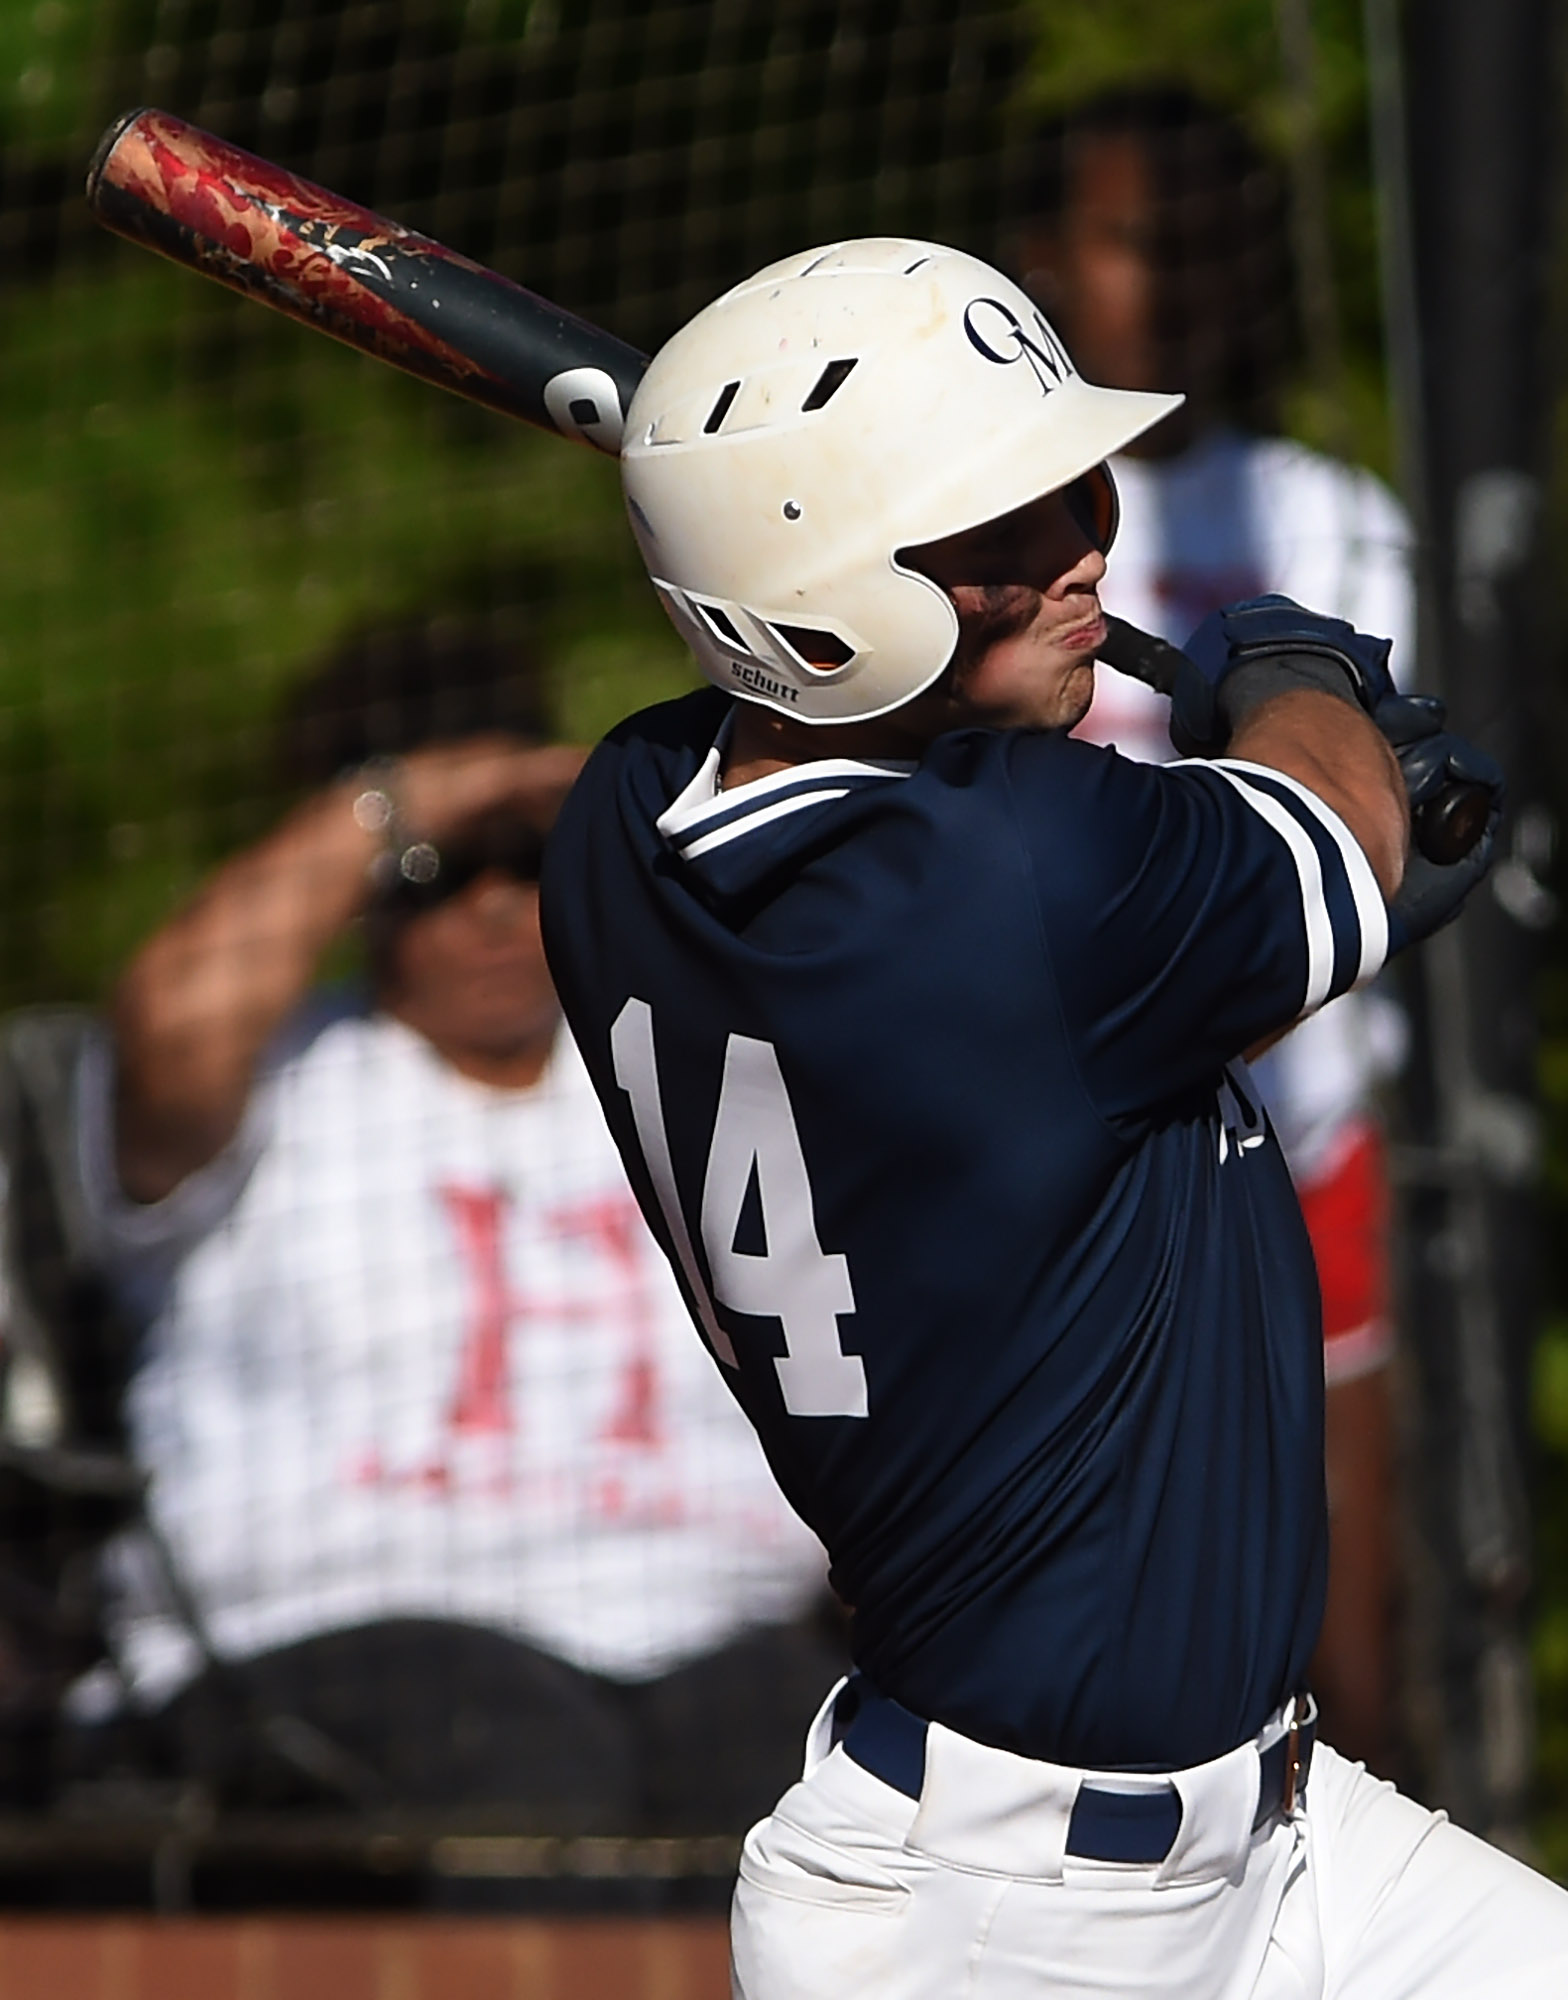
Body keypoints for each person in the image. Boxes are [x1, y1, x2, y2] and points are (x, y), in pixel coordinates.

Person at [540, 239, 1567, 1995]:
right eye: (995, 533)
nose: (1087, 541)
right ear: (821, 592)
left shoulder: (627, 812)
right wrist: (1291, 663)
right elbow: (1340, 826)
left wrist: (1304, 771)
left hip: (1269, 1846)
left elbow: (1295, 848)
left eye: (1068, 485)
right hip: (1008, 1927)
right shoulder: (1022, 880)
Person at [70, 618, 840, 1832]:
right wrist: (398, 805)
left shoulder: (681, 1064)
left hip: (696, 1630)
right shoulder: (279, 1077)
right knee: (517, 1748)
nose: (490, 908)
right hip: (325, 1637)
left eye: (523, 859)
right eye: (439, 870)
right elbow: (165, 1022)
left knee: (832, 1771)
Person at [1011, 85, 1411, 1767]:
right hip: (1020, 1160)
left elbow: (1352, 845)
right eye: (1125, 241)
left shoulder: (1329, 518)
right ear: (1031, 259)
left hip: (1295, 1157)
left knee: (1351, 1672)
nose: (1168, 282)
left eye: (1203, 249)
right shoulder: (979, 522)